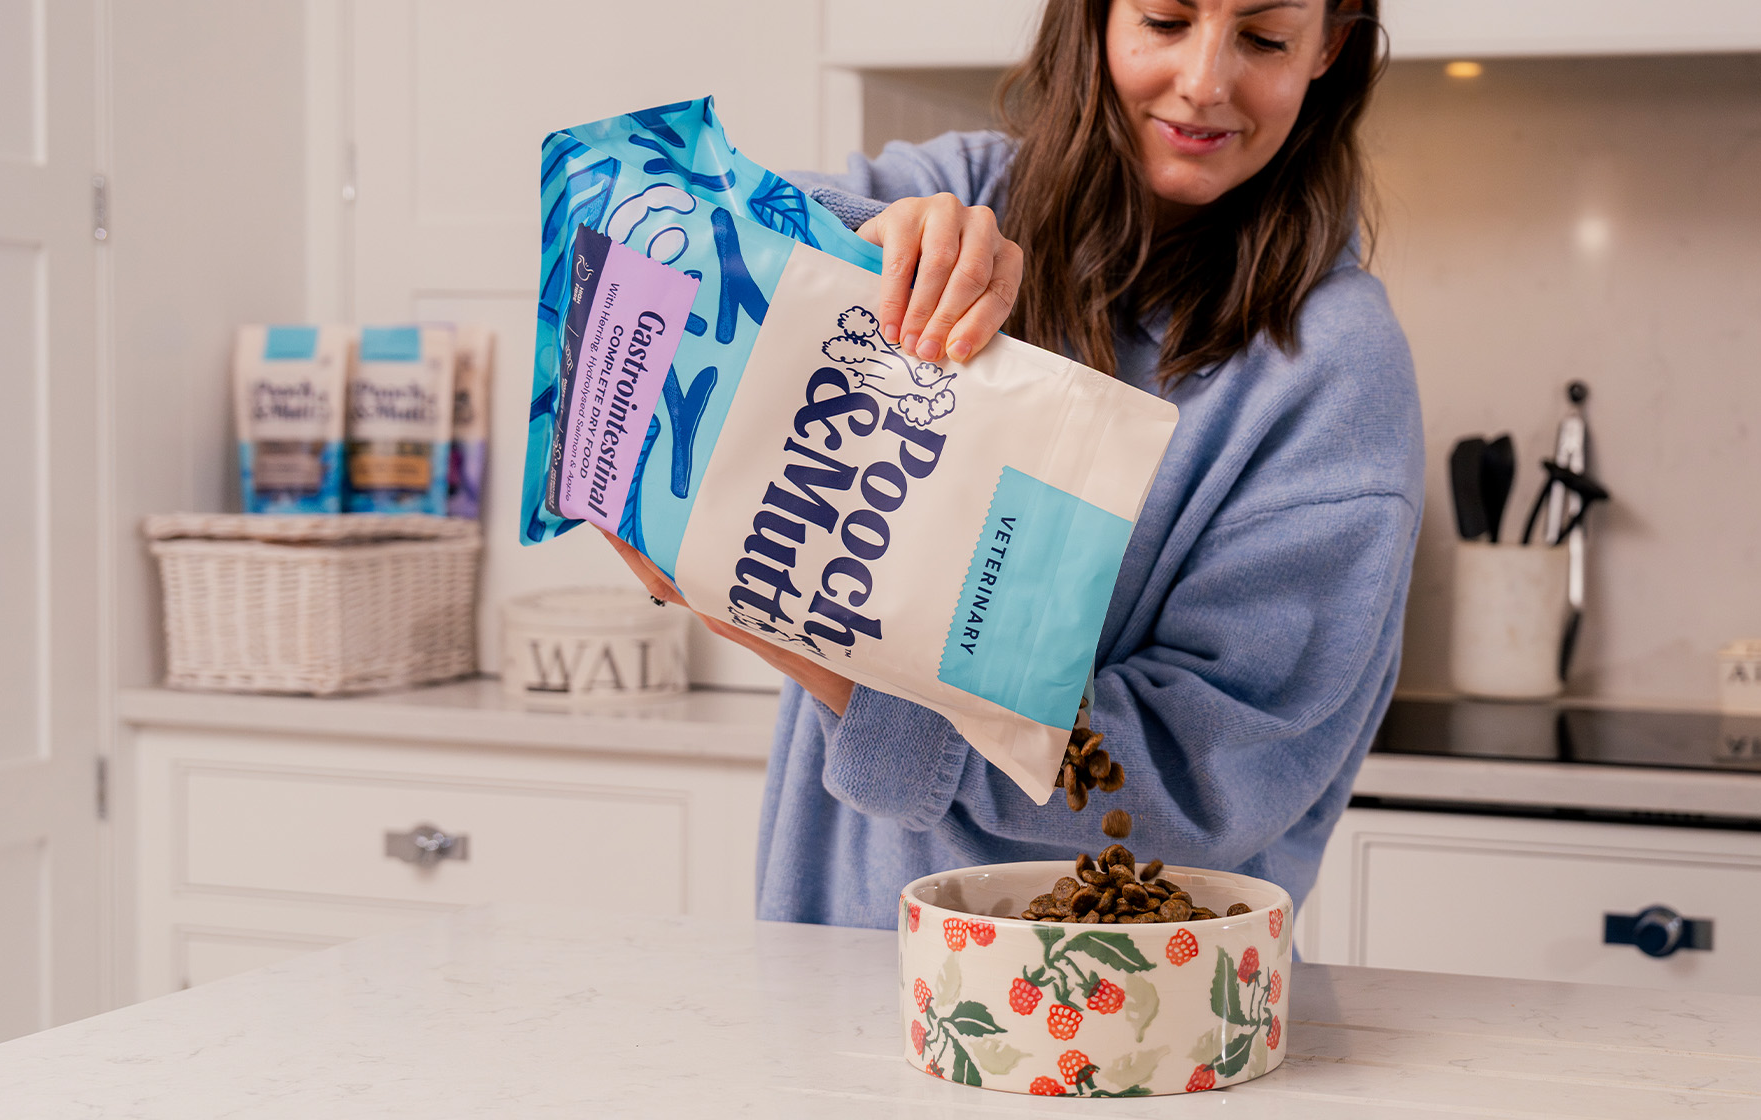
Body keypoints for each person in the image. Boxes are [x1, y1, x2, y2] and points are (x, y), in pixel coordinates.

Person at [608, 0, 1422, 930]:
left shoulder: (1334, 368)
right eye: (1164, 19)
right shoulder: (958, 186)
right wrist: (862, 245)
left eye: (1265, 37)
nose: (1205, 80)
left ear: (1332, 48)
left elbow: (1207, 780)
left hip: (1119, 1031)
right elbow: (658, 236)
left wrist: (825, 660)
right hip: (826, 970)